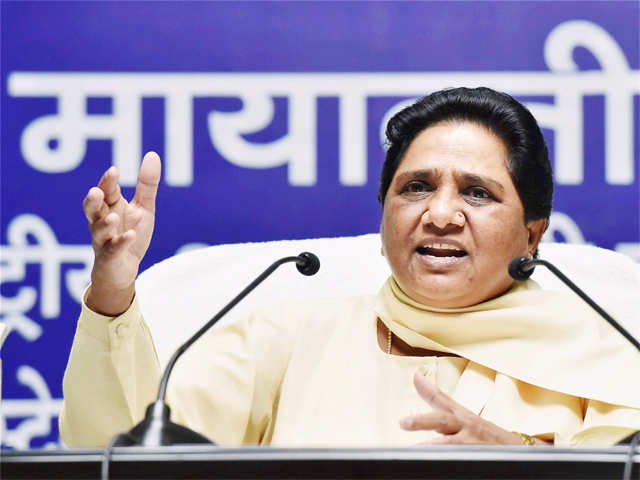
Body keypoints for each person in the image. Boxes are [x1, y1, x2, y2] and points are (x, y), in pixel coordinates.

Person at [60, 87, 640, 448]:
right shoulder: (285, 338)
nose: (440, 214)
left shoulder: (608, 359)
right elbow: (124, 448)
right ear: (385, 216)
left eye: (477, 193)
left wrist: (523, 464)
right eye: (415, 188)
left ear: (532, 234)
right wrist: (113, 289)